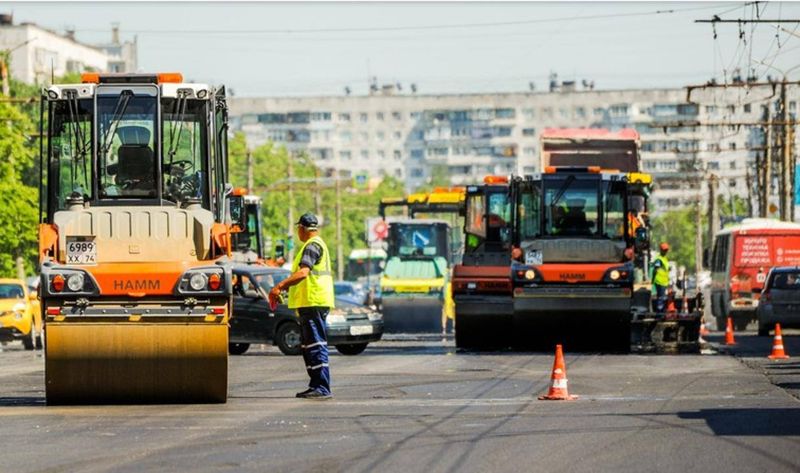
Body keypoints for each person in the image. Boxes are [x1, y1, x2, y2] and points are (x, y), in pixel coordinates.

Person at [269, 212, 335, 400]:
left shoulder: (311, 246)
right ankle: (315, 385)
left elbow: (303, 273)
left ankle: (322, 387)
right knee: (308, 346)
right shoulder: (316, 244)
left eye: (298, 228)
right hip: (311, 302)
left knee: (316, 345)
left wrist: (280, 286)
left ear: (302, 228)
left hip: (314, 302)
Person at [652, 242, 671, 314]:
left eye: (666, 250)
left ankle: (661, 310)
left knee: (662, 297)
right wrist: (653, 280)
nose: (666, 251)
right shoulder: (658, 259)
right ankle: (659, 312)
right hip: (659, 281)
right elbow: (655, 269)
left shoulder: (664, 258)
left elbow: (665, 268)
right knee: (660, 297)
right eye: (664, 250)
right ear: (661, 250)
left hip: (664, 281)